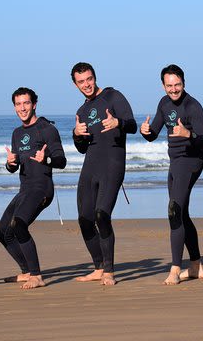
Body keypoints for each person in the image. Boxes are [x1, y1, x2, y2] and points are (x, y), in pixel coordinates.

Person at [140, 64, 203, 285]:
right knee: (181, 213)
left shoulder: (193, 106)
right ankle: (196, 265)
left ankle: (175, 268)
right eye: (169, 85)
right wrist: (147, 132)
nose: (173, 89)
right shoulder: (164, 103)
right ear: (163, 86)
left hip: (191, 161)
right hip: (175, 162)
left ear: (184, 83)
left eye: (177, 84)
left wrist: (188, 133)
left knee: (174, 210)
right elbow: (155, 133)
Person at [71, 62, 137, 286]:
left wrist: (118, 122)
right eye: (81, 81)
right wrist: (77, 134)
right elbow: (81, 148)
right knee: (84, 218)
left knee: (101, 214)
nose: (86, 84)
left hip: (112, 164)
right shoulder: (81, 111)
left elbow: (132, 125)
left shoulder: (113, 96)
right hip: (90, 166)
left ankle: (109, 271)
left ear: (94, 77)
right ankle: (98, 267)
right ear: (75, 84)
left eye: (89, 79)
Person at [0, 87, 67, 289]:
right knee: (2, 232)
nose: (22, 108)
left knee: (19, 224)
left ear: (34, 104)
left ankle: (37, 275)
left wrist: (46, 159)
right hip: (25, 190)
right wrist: (10, 163)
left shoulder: (47, 129)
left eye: (26, 103)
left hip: (42, 188)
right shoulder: (17, 133)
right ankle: (27, 271)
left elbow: (61, 161)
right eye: (18, 104)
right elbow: (14, 167)